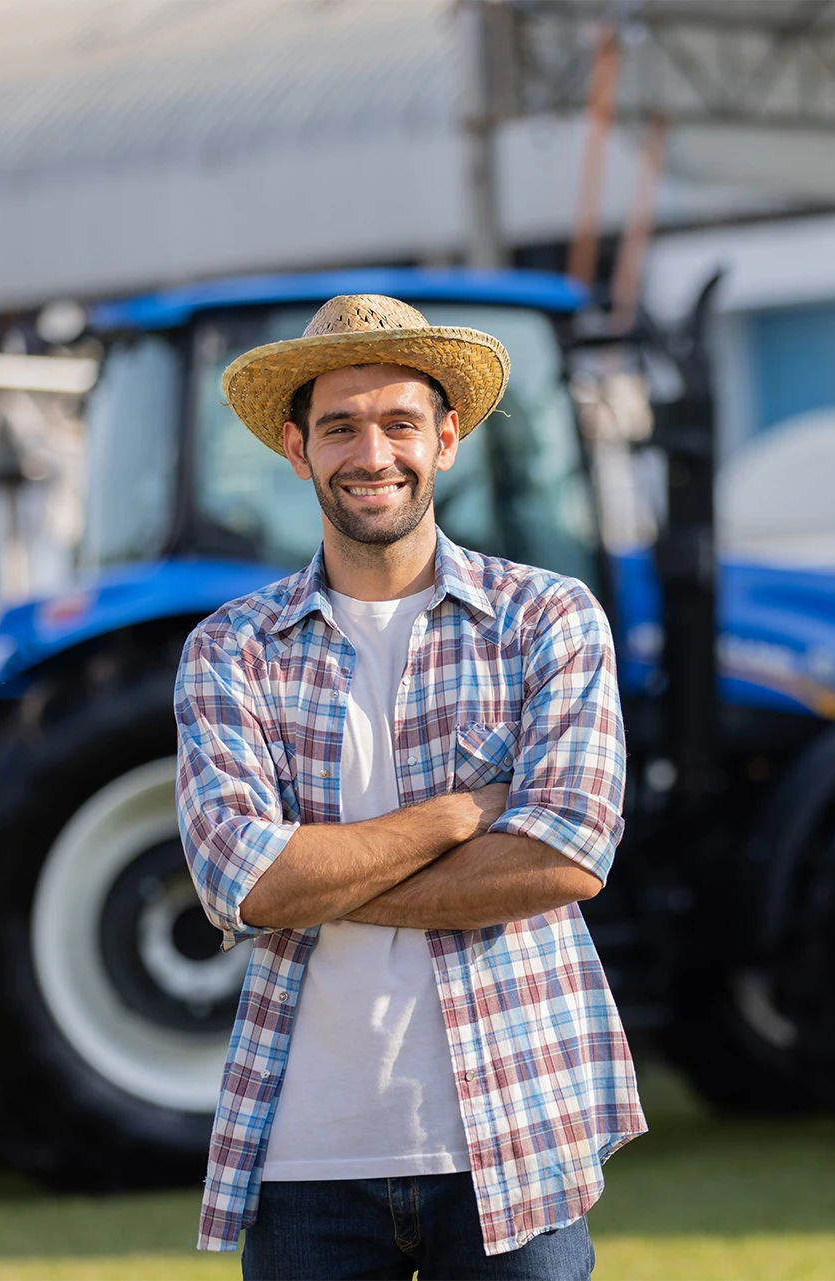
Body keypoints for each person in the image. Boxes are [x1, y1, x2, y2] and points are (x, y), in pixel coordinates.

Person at [174, 294, 643, 1279]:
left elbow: (566, 857)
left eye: (399, 423)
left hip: (513, 1136)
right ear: (297, 450)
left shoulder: (547, 620)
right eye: (341, 427)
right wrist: (461, 814)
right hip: (306, 1163)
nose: (372, 453)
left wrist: (319, 879)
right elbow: (244, 887)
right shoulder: (229, 652)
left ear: (448, 439)